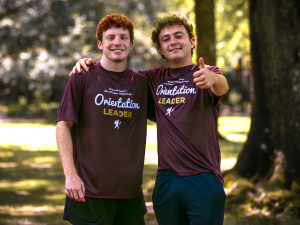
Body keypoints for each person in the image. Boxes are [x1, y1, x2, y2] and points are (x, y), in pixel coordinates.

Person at [72, 14, 229, 225]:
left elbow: (222, 86)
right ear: (161, 49)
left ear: (191, 42)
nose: (172, 42)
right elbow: (117, 74)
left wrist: (214, 79)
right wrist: (88, 64)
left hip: (203, 176)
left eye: (178, 36)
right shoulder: (151, 79)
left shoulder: (205, 72)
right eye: (166, 39)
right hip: (166, 180)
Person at [56, 14, 154, 225]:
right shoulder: (82, 76)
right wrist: (70, 175)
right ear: (100, 43)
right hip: (88, 193)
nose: (117, 42)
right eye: (110, 37)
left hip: (130, 195)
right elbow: (63, 125)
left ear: (131, 44)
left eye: (123, 37)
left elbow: (175, 111)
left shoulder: (141, 84)